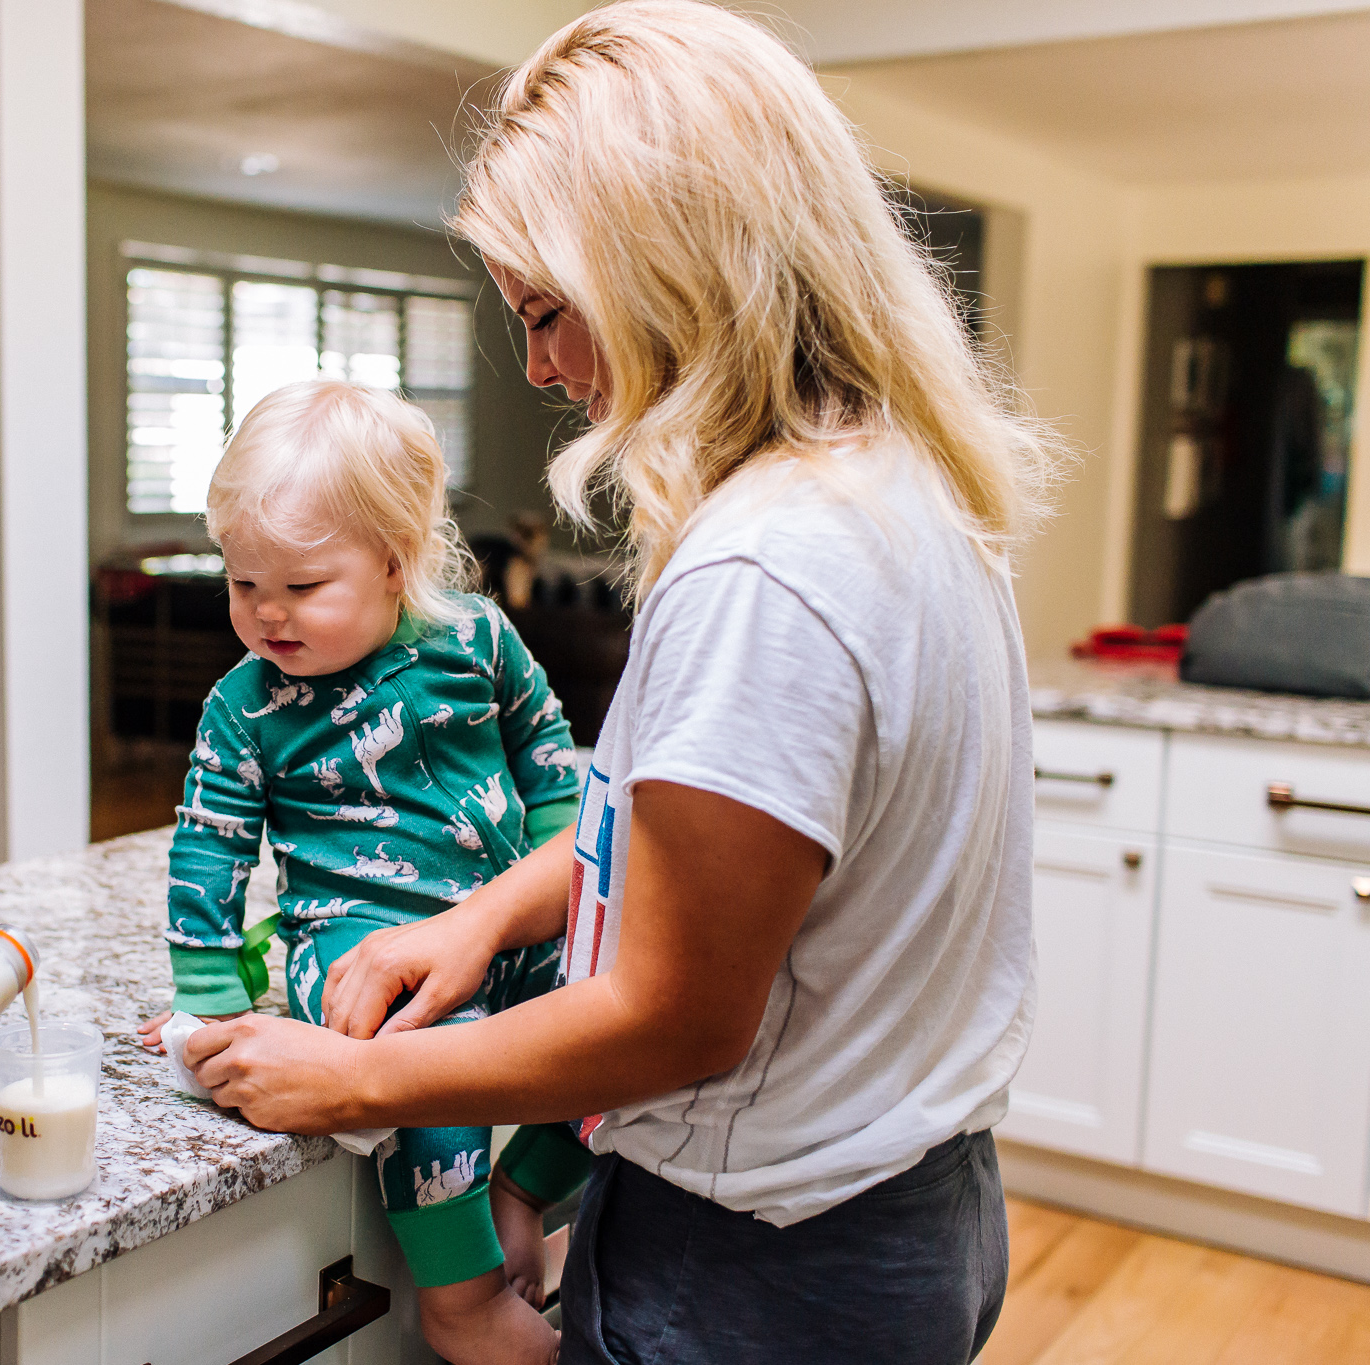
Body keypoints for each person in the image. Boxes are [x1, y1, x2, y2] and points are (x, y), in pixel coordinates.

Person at [181, 4, 1061, 1362]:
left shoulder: (765, 568)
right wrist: (485, 916)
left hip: (764, 1266)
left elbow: (675, 1015)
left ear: (665, 263)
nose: (536, 365)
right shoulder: (903, 491)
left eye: (546, 309)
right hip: (916, 1204)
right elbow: (673, 829)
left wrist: (358, 1075)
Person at [137, 380, 592, 1365]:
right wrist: (210, 998)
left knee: (612, 1009)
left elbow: (551, 759)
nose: (264, 614)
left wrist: (575, 894)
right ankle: (462, 1295)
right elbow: (206, 852)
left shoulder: (475, 639)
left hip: (504, 926)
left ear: (394, 564)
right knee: (413, 1057)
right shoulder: (241, 707)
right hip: (353, 951)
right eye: (240, 582)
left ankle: (526, 1190)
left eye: (299, 589)